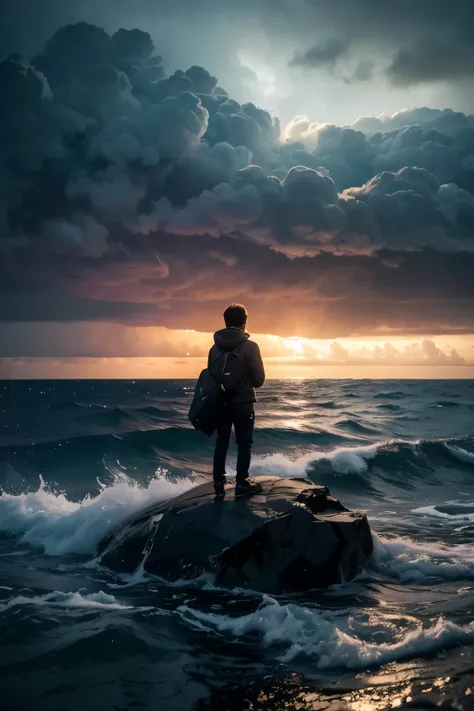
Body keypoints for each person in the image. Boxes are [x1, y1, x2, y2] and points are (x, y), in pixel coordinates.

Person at [209, 303, 265, 498]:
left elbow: (211, 378)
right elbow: (259, 381)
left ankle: (218, 482)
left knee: (222, 441)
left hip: (221, 403)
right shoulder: (251, 347)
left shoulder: (214, 349)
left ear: (225, 322)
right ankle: (242, 483)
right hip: (243, 403)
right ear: (244, 323)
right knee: (244, 443)